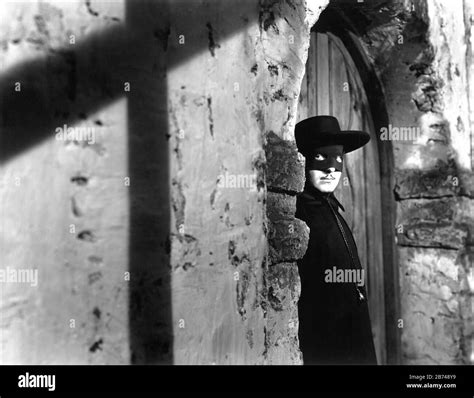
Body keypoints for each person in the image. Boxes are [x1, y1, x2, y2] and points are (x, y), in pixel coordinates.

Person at [294, 115, 377, 365]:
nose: (332, 168)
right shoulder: (299, 214)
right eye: (320, 158)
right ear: (304, 161)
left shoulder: (334, 211)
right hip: (326, 345)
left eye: (338, 158)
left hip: (355, 336)